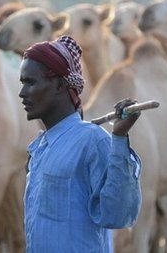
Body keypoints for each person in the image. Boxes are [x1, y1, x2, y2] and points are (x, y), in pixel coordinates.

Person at [19, 35, 142, 252]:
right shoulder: (40, 149)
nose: (22, 93)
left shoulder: (92, 141)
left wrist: (120, 139)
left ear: (59, 85)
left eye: (30, 82)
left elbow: (118, 214)